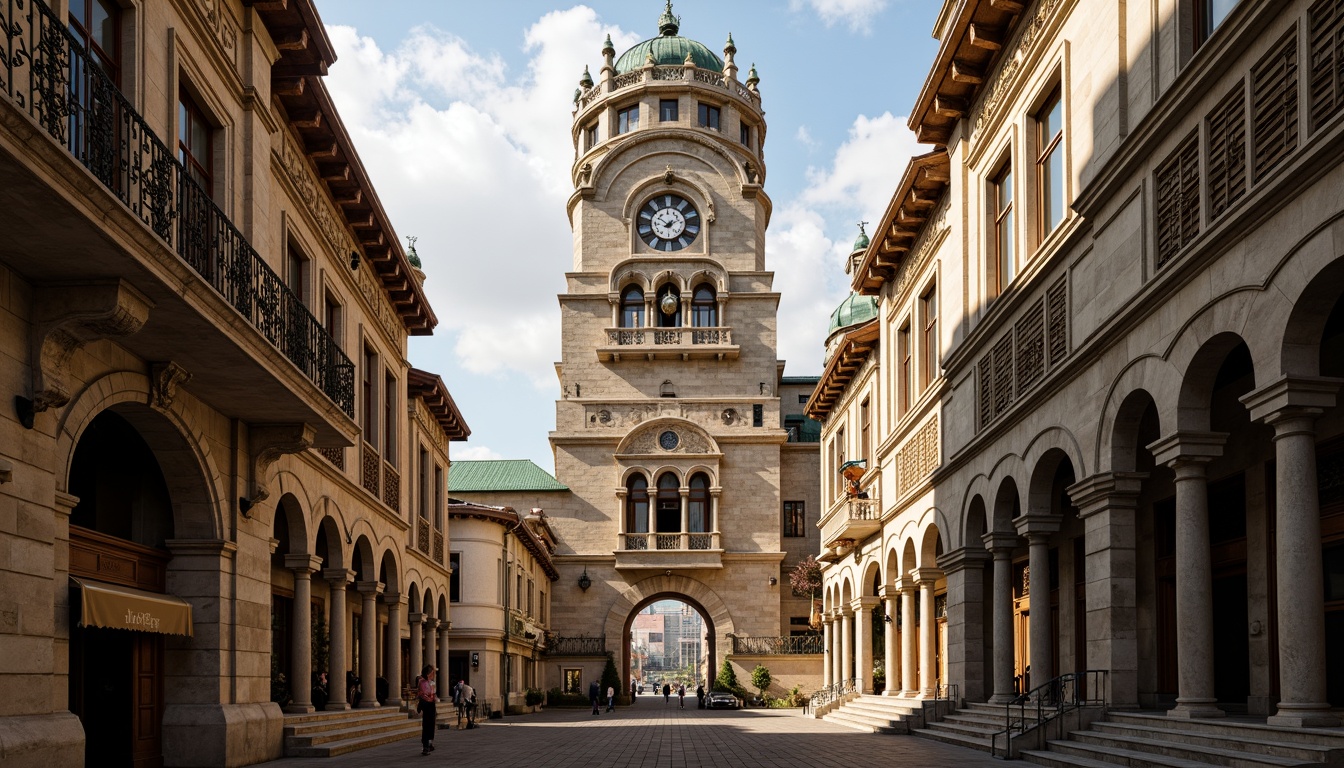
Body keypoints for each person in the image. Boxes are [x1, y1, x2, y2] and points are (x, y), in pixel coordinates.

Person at [416, 665, 438, 756]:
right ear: (429, 673)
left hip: (428, 705)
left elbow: (432, 695)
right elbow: (428, 694)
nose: (434, 674)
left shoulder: (429, 682)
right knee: (428, 725)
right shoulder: (423, 682)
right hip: (427, 704)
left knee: (429, 725)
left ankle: (428, 744)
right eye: (432, 672)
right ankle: (426, 745)